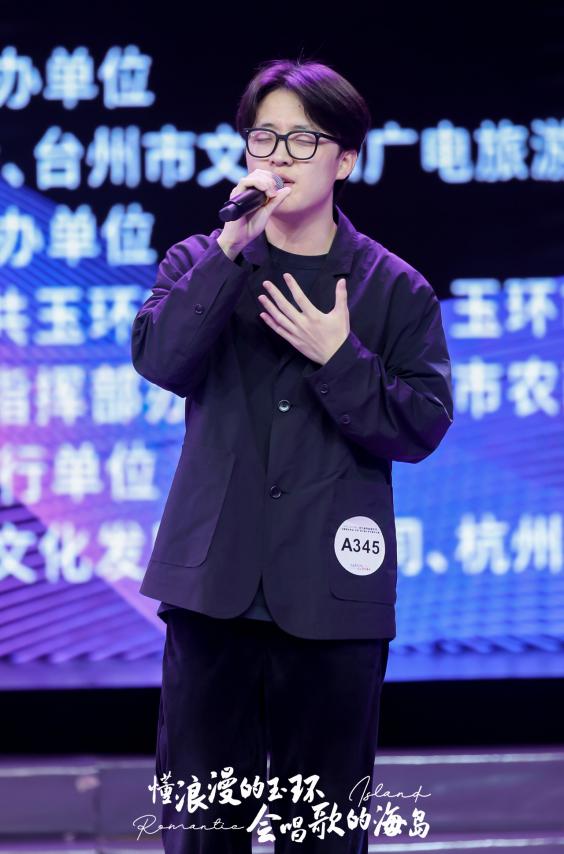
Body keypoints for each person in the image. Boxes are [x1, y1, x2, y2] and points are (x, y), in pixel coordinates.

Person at [131, 57, 454, 853]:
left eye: (303, 140)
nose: (279, 155)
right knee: (204, 830)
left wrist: (340, 356)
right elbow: (161, 360)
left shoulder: (394, 289)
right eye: (264, 136)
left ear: (346, 159)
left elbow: (420, 426)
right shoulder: (199, 262)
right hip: (213, 592)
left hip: (333, 599)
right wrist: (228, 250)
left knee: (324, 834)